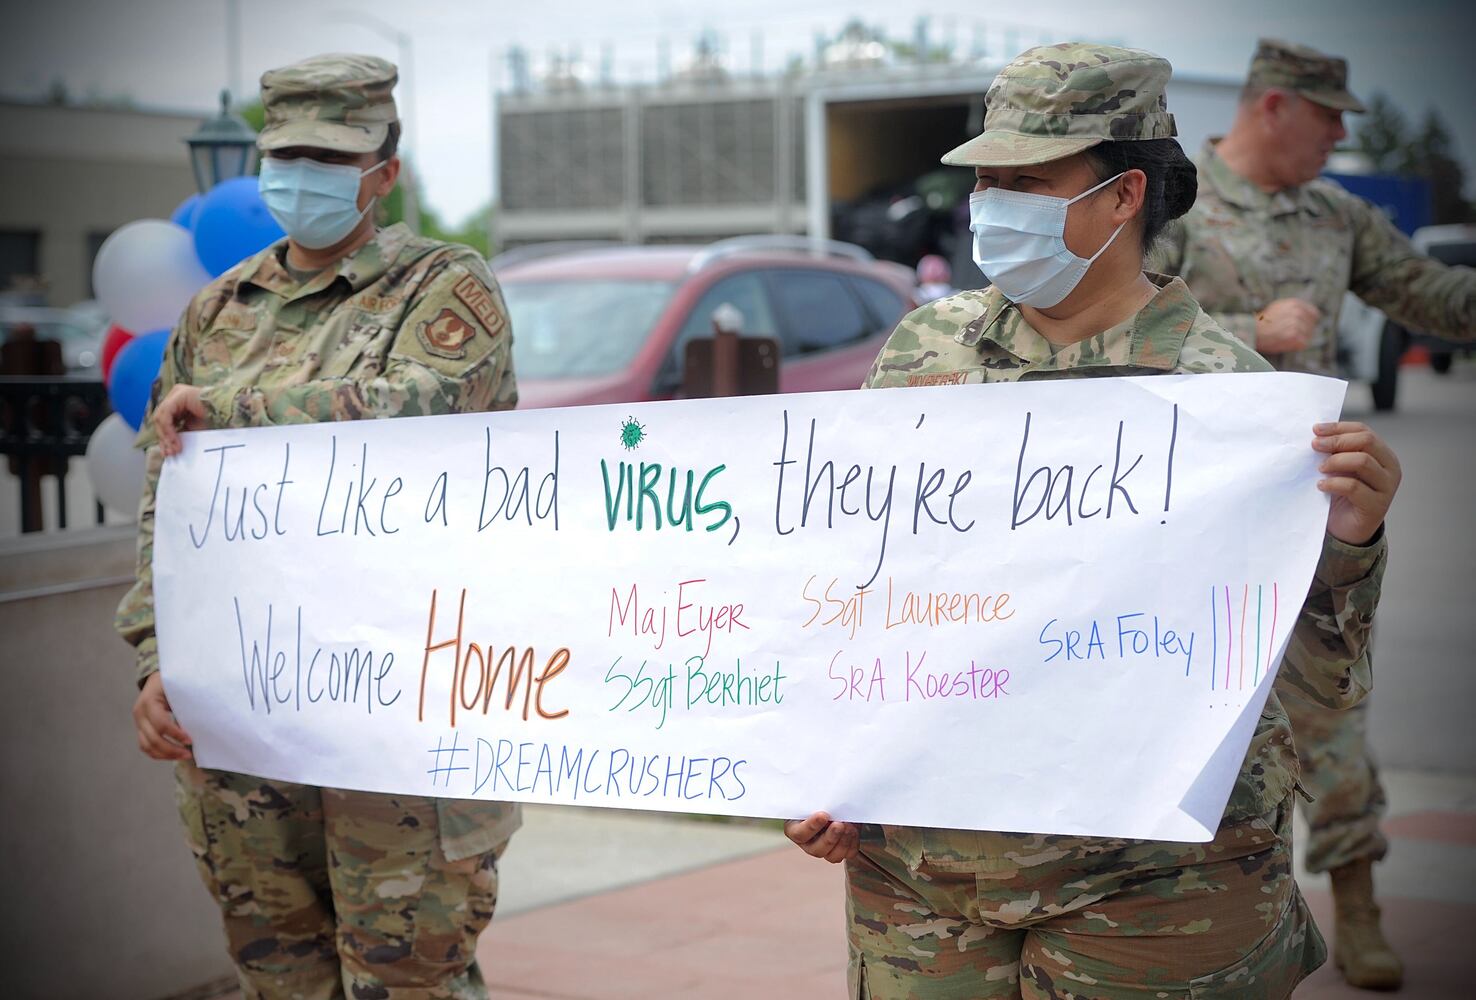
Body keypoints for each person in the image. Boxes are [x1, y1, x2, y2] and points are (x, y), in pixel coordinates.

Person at [784, 43, 1402, 999]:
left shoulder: (1232, 401)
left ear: (1124, 195)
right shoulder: (922, 352)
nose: (992, 204)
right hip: (924, 871)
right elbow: (848, 589)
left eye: (1027, 179)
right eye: (985, 178)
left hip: (1157, 884)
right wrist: (818, 764)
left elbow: (1322, 681)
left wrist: (1352, 543)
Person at [115, 54, 519, 999]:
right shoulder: (217, 310)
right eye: (287, 154)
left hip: (400, 719)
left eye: (331, 158)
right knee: (280, 981)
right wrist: (151, 661)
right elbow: (164, 502)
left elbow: (420, 409)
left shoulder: (444, 289)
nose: (303, 177)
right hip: (244, 724)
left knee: (406, 983)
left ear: (385, 169)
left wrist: (237, 413)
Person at [1155, 38, 1476, 990]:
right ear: (1273, 106)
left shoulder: (1335, 216)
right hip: (1194, 516)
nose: (1342, 132)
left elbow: (1433, 296)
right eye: (1330, 113)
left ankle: (1360, 909)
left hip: (1313, 510)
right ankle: (1211, 911)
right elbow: (1104, 325)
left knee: (1333, 710)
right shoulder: (1175, 204)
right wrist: (1242, 333)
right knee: (1208, 718)